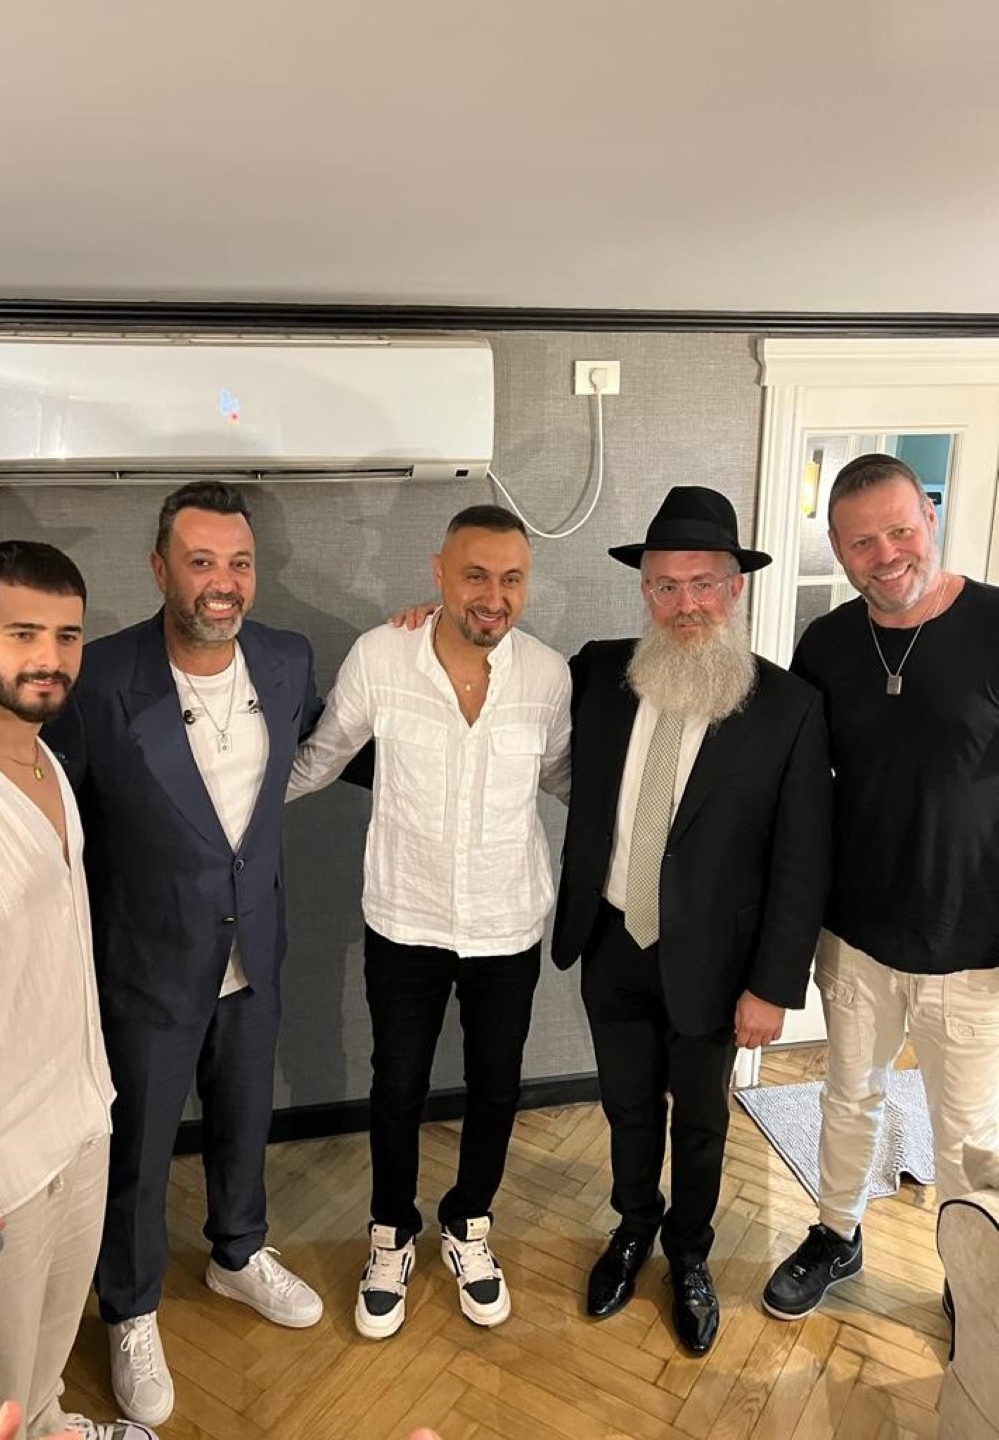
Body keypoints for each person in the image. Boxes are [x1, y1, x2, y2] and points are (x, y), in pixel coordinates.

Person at [44, 481, 324, 1427]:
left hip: (256, 945)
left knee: (246, 1115)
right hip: (146, 962)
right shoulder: (100, 679)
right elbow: (60, 825)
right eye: (201, 562)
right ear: (160, 568)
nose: (223, 582)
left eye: (239, 563)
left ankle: (238, 1252)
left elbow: (327, 741)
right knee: (139, 1147)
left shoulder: (287, 660)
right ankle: (129, 1308)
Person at [551, 486, 831, 1355]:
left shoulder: (788, 707)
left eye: (704, 583)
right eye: (666, 585)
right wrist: (429, 625)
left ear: (735, 587)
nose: (686, 604)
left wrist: (772, 987)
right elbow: (503, 687)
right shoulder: (598, 673)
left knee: (702, 1120)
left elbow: (801, 863)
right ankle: (633, 1227)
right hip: (611, 938)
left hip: (718, 960)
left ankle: (690, 1253)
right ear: (644, 590)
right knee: (627, 1106)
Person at [287, 505, 571, 1339]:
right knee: (396, 1085)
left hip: (507, 921)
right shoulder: (381, 656)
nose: (493, 596)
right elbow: (320, 758)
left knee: (497, 1085)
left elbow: (566, 779)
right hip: (404, 916)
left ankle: (470, 1224)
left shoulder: (549, 676)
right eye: (475, 575)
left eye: (511, 579)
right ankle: (391, 1234)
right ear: (439, 573)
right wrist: (224, 811)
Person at [0, 541, 154, 1440]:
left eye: (67, 635)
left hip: (79, 1119)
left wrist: (95, 1106)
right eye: (22, 633)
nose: (48, 658)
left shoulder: (48, 760)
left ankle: (58, 1424)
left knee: (44, 1364)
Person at [762, 454, 999, 1322]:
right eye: (862, 542)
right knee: (847, 1097)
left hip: (974, 946)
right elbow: (798, 785)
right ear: (837, 548)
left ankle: (971, 1277)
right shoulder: (825, 645)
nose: (886, 554)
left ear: (930, 519)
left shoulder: (996, 624)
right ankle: (836, 1233)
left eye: (901, 530)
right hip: (855, 934)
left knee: (967, 1134)